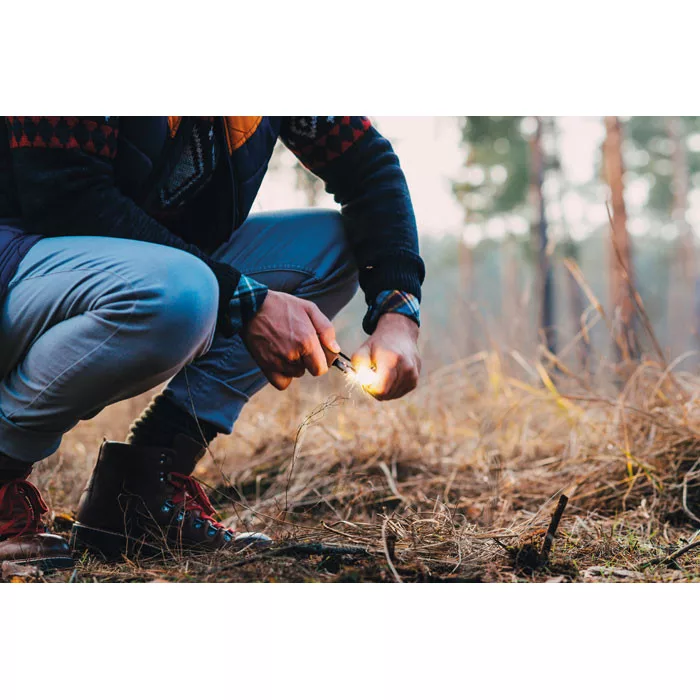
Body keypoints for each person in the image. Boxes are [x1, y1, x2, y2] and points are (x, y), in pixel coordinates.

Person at [0, 116, 425, 569]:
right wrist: (247, 301)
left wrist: (398, 314)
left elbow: (367, 167)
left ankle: (140, 494)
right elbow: (66, 197)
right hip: (23, 256)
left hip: (150, 266)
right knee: (184, 291)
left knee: (331, 249)